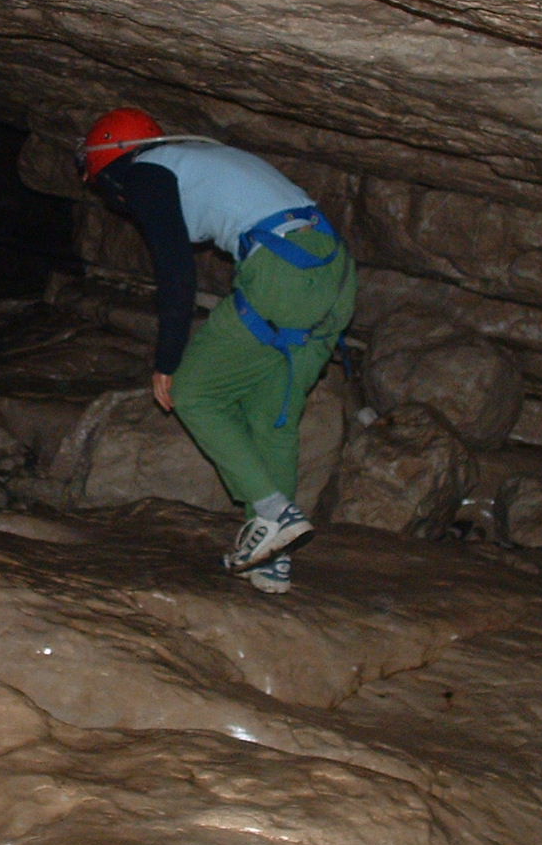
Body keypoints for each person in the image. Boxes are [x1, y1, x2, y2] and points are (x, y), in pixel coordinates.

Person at [77, 108, 357, 595]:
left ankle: (273, 513)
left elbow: (176, 272)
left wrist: (167, 361)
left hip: (282, 273)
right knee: (272, 419)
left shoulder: (146, 173)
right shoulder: (197, 160)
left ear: (109, 163)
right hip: (334, 275)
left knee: (195, 393)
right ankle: (272, 559)